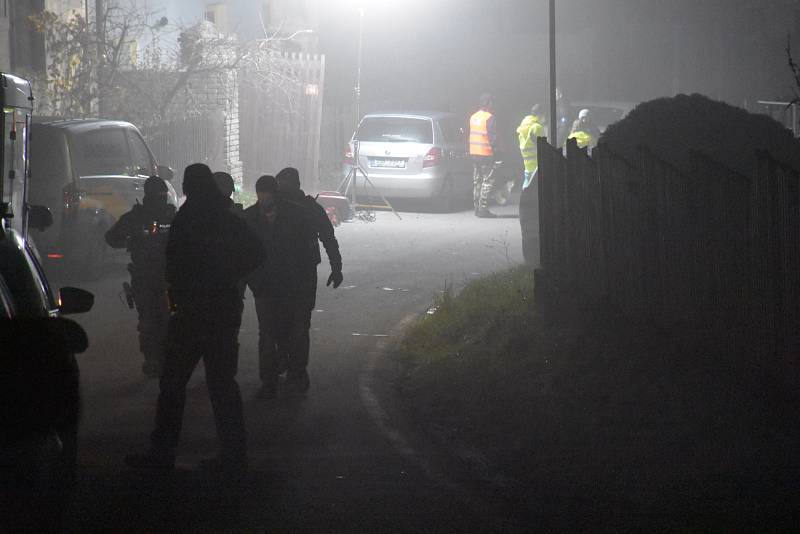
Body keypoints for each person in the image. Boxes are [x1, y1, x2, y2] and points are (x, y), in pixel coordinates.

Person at [125, 163, 266, 475]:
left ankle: (162, 452)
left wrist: (176, 304)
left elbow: (172, 268)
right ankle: (233, 456)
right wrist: (228, 274)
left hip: (189, 314)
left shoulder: (186, 220)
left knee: (173, 384)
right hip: (222, 312)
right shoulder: (227, 219)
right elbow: (256, 252)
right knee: (222, 386)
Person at [245, 173, 339, 399]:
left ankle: (273, 381)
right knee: (294, 330)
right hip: (291, 285)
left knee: (272, 334)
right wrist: (336, 267)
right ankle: (293, 376)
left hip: (279, 286)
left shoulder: (293, 213)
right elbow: (327, 238)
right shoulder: (304, 210)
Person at [105, 176, 176, 377]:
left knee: (168, 318)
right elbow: (112, 237)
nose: (161, 198)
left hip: (167, 279)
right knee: (148, 320)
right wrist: (129, 239)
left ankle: (164, 358)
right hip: (145, 278)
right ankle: (153, 359)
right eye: (159, 195)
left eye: (163, 195)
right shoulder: (137, 217)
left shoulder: (171, 216)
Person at [469, 92, 499, 218]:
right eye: (491, 102)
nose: (492, 104)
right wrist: (498, 154)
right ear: (488, 103)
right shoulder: (489, 117)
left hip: (474, 153)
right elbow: (493, 138)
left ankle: (476, 208)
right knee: (487, 181)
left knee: (477, 181)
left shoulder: (473, 117)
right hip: (486, 155)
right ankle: (483, 209)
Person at [516, 104, 546, 191]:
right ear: (540, 114)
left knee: (526, 187)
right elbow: (543, 146)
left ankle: (524, 203)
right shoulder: (537, 127)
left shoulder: (524, 124)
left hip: (527, 164)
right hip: (537, 165)